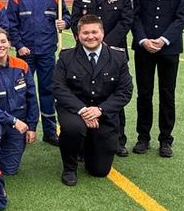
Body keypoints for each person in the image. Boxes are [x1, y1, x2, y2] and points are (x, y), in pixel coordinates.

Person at [53, 15, 133, 186]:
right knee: (74, 128)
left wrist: (100, 110)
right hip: (74, 110)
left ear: (102, 33)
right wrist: (83, 111)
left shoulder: (118, 57)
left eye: (94, 32)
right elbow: (59, 88)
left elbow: (125, 91)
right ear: (77, 35)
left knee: (99, 171)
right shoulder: (66, 57)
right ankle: (69, 167)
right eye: (85, 33)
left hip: (103, 113)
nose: (90, 36)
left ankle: (86, 145)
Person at [69, 0, 134, 157]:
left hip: (113, 53)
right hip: (85, 54)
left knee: (114, 96)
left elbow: (126, 21)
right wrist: (88, 43)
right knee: (84, 93)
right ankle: (84, 140)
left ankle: (118, 139)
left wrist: (103, 44)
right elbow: (75, 20)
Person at [131, 0, 184, 158]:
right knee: (144, 94)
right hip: (144, 48)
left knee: (167, 94)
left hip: (169, 49)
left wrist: (163, 40)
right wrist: (144, 40)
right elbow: (134, 16)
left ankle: (165, 139)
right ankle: (143, 137)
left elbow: (181, 17)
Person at [5, 0, 70, 146]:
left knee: (48, 91)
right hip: (25, 53)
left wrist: (64, 22)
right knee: (21, 92)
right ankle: (20, 130)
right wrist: (19, 45)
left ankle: (50, 132)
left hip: (47, 51)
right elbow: (11, 24)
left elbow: (66, 15)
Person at [0, 28, 39, 175]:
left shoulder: (22, 65)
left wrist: (32, 127)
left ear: (9, 43)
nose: (0, 45)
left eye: (3, 41)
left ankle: (1, 149)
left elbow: (31, 98)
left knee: (10, 170)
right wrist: (13, 120)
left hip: (18, 123)